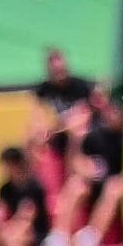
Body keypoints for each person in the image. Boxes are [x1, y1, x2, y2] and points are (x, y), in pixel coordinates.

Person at [53, 89, 123, 246]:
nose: (112, 113)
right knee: (76, 184)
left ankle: (92, 234)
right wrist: (75, 140)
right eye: (111, 109)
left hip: (117, 188)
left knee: (115, 186)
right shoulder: (96, 136)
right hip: (95, 186)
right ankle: (60, 235)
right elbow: (75, 165)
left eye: (117, 110)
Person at [26, 48, 94, 183]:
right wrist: (40, 131)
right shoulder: (43, 90)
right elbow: (36, 114)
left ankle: (69, 180)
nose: (59, 74)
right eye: (55, 71)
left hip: (80, 137)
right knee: (31, 138)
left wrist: (57, 128)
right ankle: (32, 184)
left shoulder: (81, 86)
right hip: (55, 133)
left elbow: (83, 116)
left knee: (75, 133)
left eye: (61, 70)